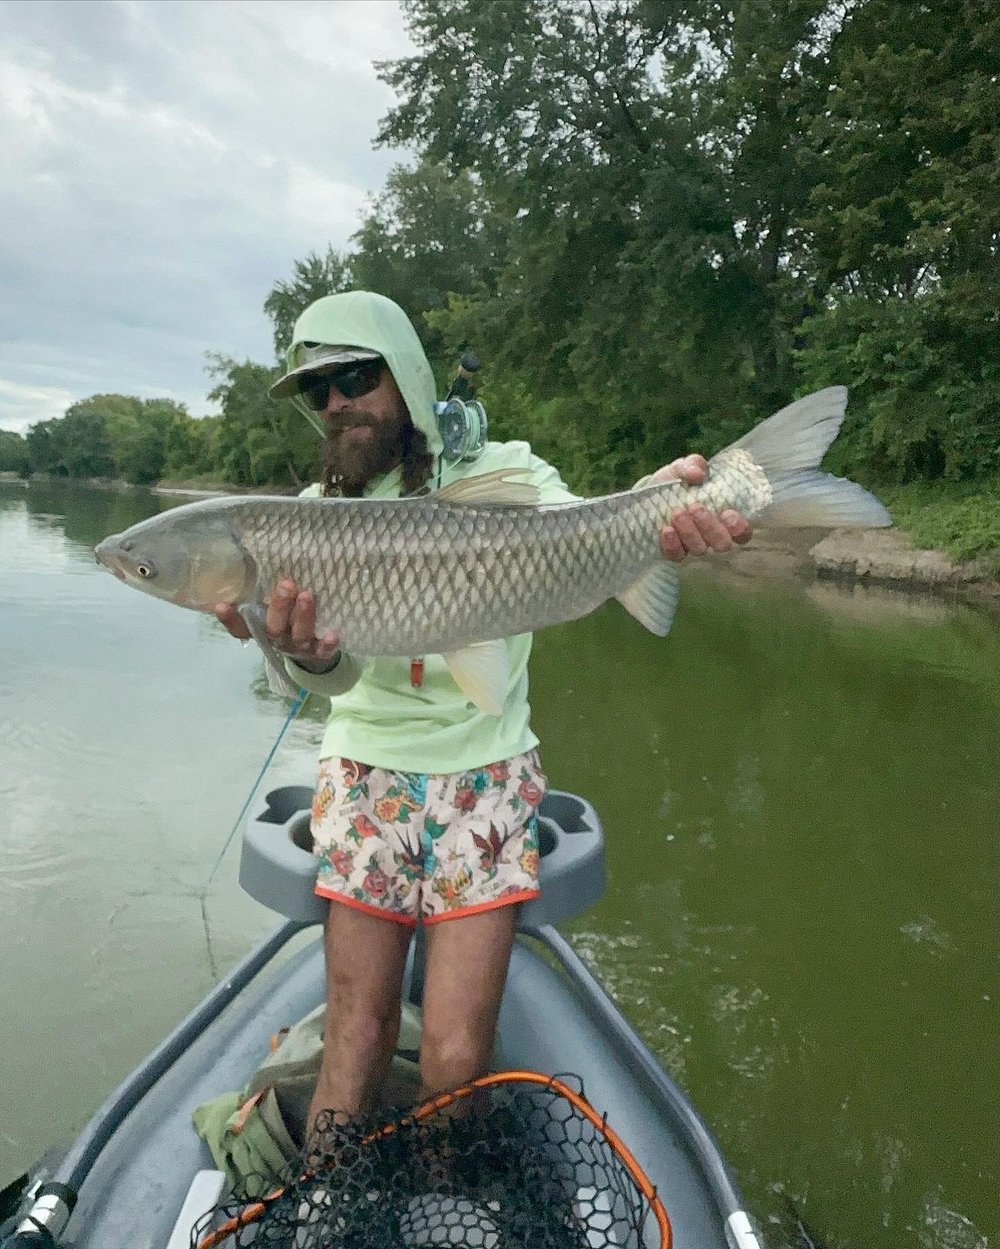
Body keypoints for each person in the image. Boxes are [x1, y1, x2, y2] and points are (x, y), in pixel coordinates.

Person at [215, 290, 751, 1133]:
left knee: (458, 1057)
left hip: (487, 768)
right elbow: (314, 686)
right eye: (317, 391)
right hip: (364, 769)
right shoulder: (305, 524)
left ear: (405, 373)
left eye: (354, 375)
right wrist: (304, 653)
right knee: (352, 1039)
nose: (336, 403)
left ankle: (445, 1191)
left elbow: (587, 525)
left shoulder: (508, 472)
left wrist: (660, 505)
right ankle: (325, 1195)